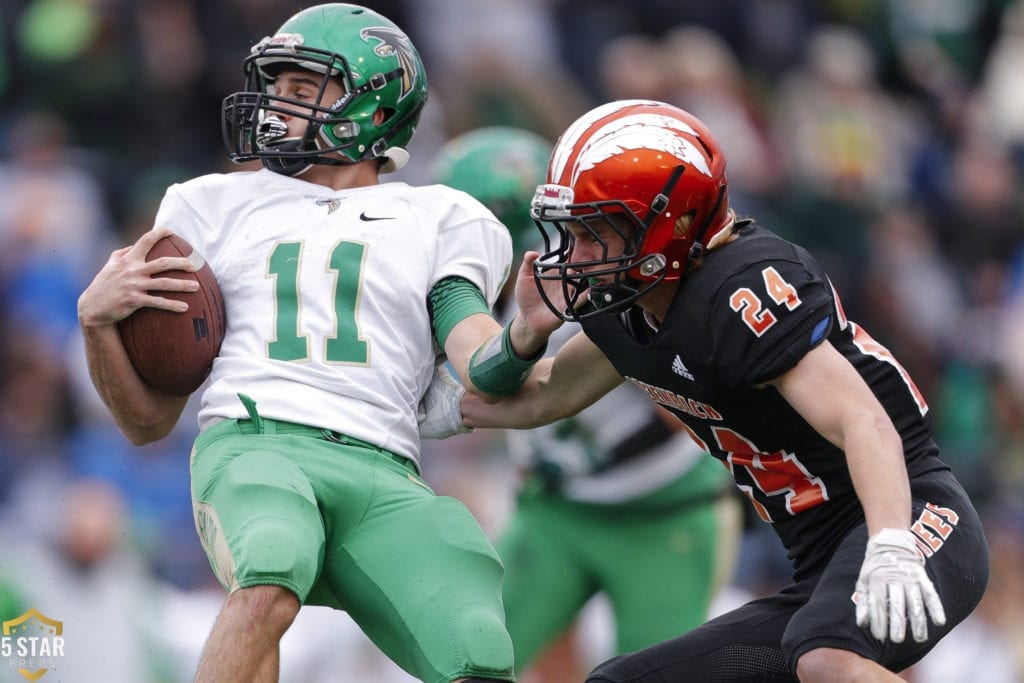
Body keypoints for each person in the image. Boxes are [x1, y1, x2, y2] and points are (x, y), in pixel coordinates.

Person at [441, 99, 990, 681]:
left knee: (829, 659)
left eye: (596, 231)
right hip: (818, 562)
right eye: (572, 231)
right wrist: (465, 387)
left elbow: (863, 421)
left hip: (909, 513)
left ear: (672, 224)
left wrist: (889, 542)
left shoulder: (737, 293)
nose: (574, 255)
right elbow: (547, 392)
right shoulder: (623, 309)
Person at [75, 5, 543, 682]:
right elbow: (145, 423)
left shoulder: (439, 217)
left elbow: (477, 357)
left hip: (383, 472)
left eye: (300, 91)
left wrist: (523, 334)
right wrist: (97, 325)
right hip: (255, 443)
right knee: (271, 563)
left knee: (477, 646)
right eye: (275, 87)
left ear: (374, 108)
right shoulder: (208, 205)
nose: (273, 107)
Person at [431, 126, 741, 680]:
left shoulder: (588, 282)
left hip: (658, 508)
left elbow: (688, 412)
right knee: (467, 664)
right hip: (556, 510)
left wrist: (582, 455)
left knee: (652, 674)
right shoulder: (473, 299)